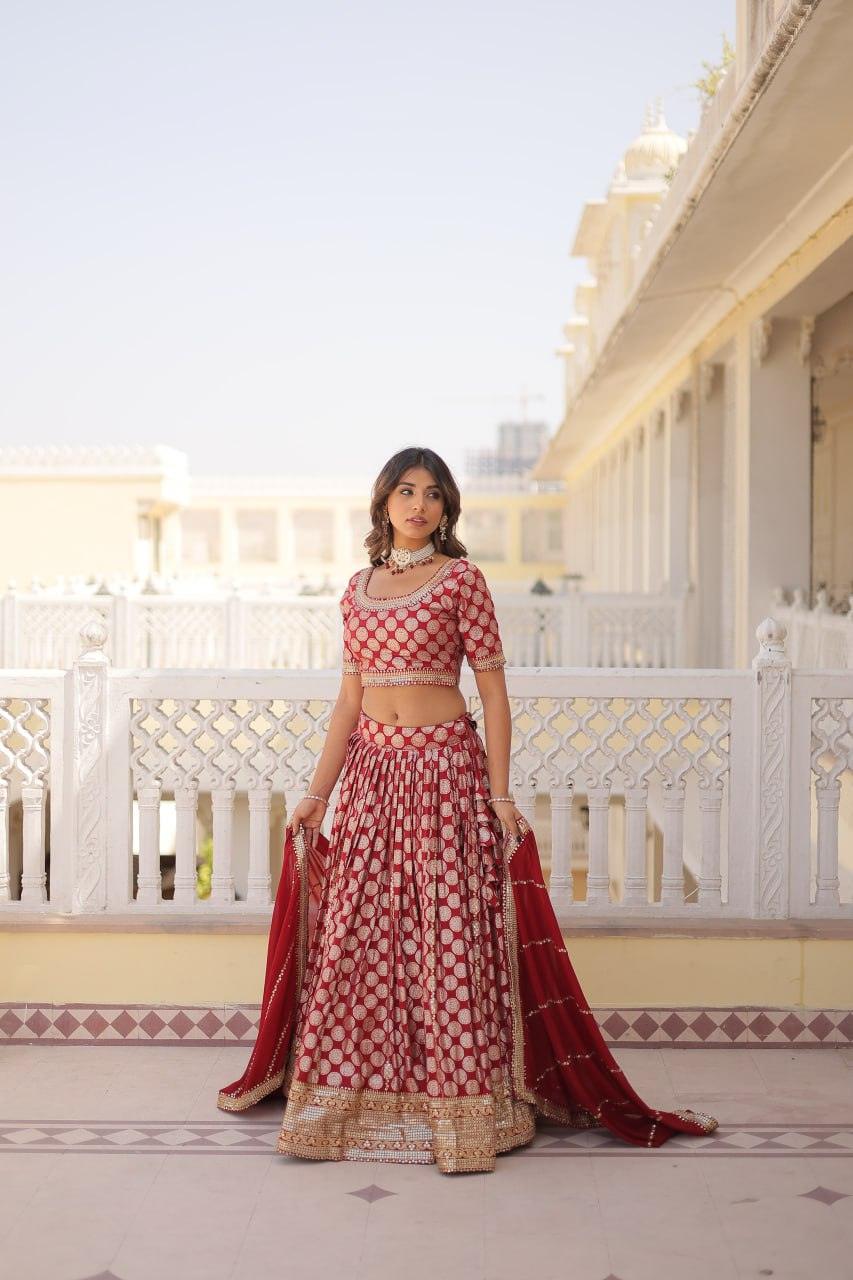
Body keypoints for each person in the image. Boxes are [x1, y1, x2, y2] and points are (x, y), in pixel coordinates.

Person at [217, 446, 718, 1173]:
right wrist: (316, 793)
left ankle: (462, 1112)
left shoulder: (461, 581)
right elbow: (348, 703)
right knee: (363, 939)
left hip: (445, 772)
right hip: (372, 777)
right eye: (405, 491)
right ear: (383, 502)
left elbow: (491, 694)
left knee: (447, 937)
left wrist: (500, 793)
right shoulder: (356, 590)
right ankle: (350, 1099)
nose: (418, 504)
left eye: (432, 494)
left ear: (447, 509)